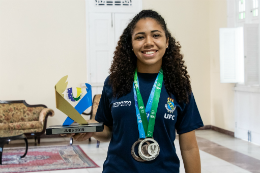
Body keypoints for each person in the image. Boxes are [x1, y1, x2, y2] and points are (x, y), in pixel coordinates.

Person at [72, 10, 204, 173]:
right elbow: (107, 131)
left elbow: (189, 147)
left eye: (156, 35)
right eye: (140, 37)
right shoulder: (114, 83)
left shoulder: (179, 85)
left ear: (167, 41)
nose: (149, 42)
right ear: (131, 44)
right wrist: (91, 129)